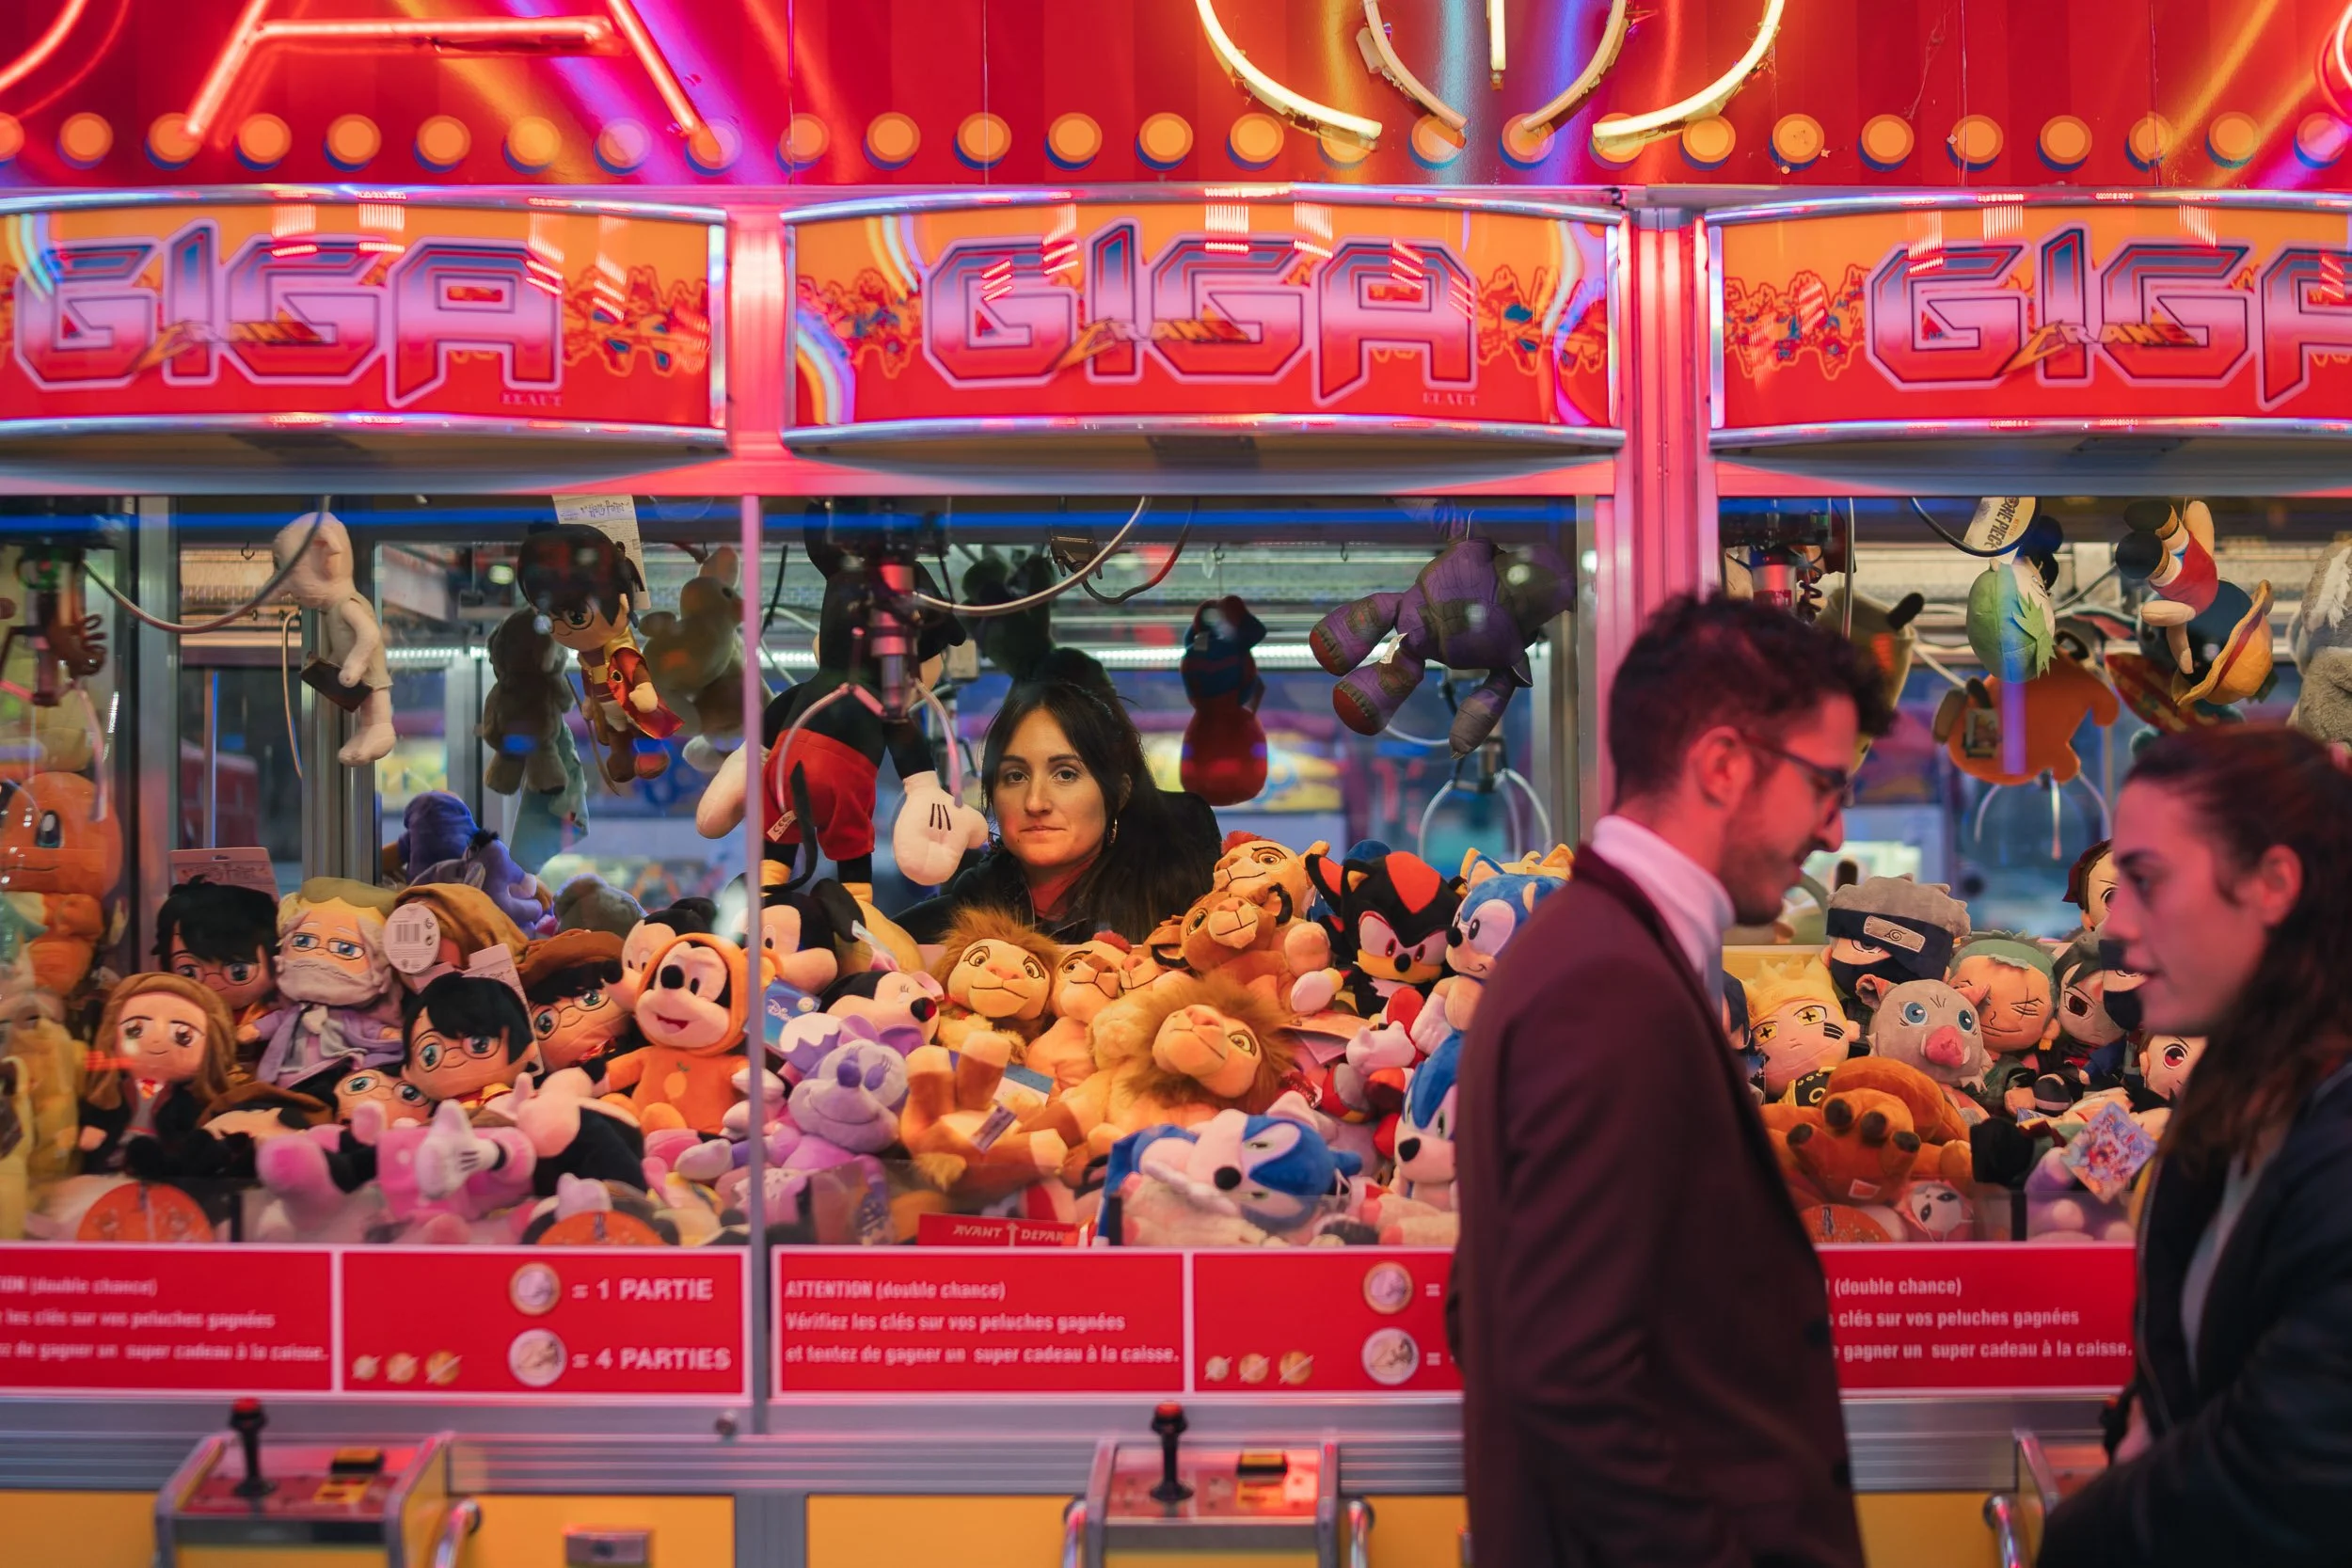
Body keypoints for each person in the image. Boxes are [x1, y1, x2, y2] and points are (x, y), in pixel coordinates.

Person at [1454, 592, 1891, 1568]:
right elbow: (1569, 1374)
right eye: (1825, 781)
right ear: (1723, 764)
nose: (1832, 828)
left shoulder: (1597, 948)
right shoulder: (1608, 984)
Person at [2038, 726, 2352, 1568]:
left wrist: (2078, 1535)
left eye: (2146, 882)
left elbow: (2287, 1471)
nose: (2117, 927)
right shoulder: (2241, 1086)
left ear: (2274, 882)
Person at [897, 679, 1218, 944]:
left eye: (1065, 774)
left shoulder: (1191, 910)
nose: (1035, 802)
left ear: (1118, 794)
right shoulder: (954, 920)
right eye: (1015, 776)